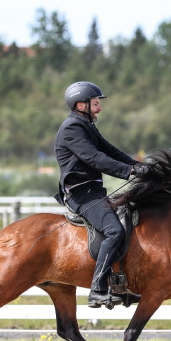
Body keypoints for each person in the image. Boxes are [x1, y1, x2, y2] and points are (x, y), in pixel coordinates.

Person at [54, 81, 151, 309]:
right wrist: (130, 171)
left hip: (94, 192)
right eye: (96, 103)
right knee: (113, 230)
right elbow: (95, 158)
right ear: (81, 104)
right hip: (82, 195)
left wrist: (140, 166)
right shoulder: (72, 129)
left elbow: (111, 151)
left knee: (129, 221)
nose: (100, 108)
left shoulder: (86, 126)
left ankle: (119, 286)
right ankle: (97, 290)